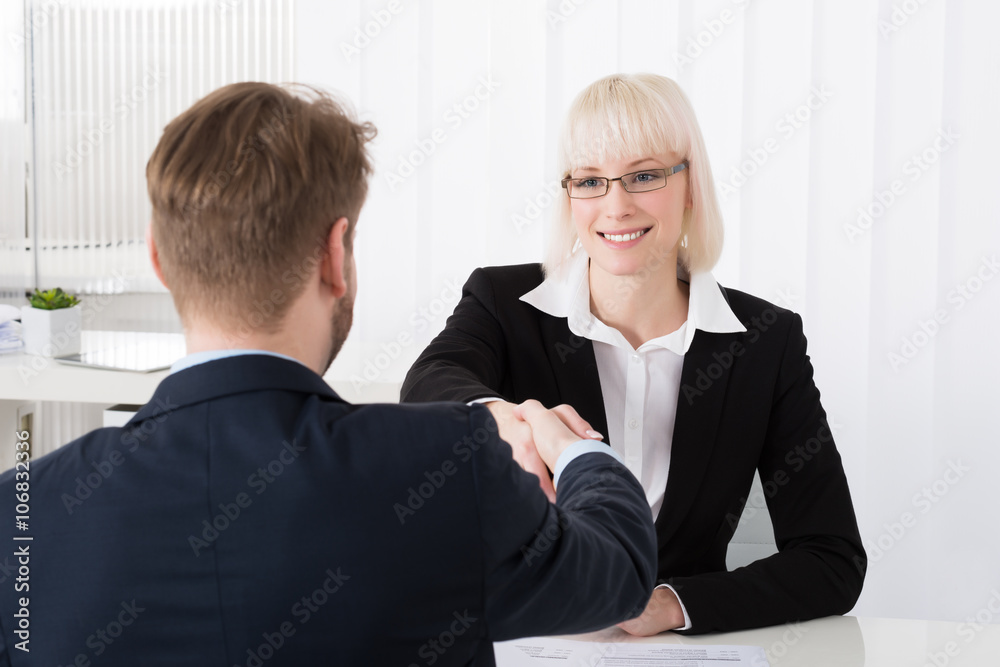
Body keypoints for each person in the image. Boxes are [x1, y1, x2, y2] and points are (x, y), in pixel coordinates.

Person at [0, 82, 659, 665]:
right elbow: (623, 570)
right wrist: (571, 451)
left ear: (159, 259)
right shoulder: (450, 466)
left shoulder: (21, 515)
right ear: (335, 256)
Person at [401, 73, 866, 635]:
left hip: (673, 652)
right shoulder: (504, 303)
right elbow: (431, 380)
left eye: (643, 176)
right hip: (522, 638)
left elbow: (831, 558)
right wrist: (516, 419)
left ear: (690, 185)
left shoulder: (764, 341)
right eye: (590, 181)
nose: (615, 206)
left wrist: (672, 604)